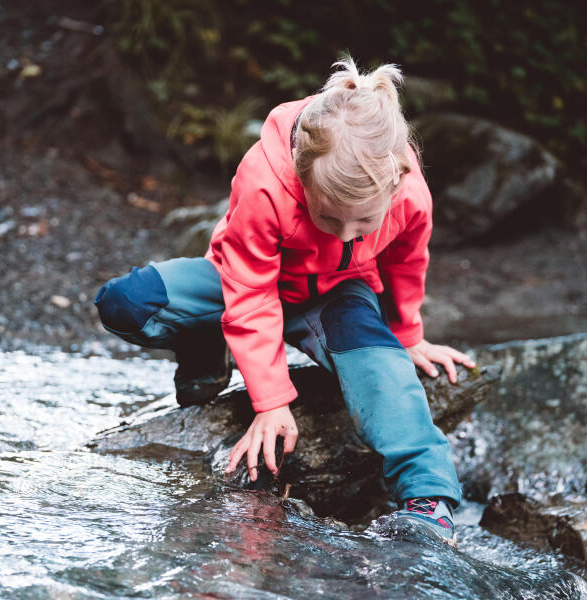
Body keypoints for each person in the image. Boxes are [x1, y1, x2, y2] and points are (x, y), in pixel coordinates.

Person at [94, 56, 475, 543]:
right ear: (301, 177)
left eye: (363, 224)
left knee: (385, 371)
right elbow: (250, 292)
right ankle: (204, 345)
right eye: (329, 220)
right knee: (128, 302)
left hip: (338, 295)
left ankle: (427, 497)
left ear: (397, 180)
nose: (346, 234)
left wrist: (408, 335)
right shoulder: (264, 180)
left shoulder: (408, 191)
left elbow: (405, 261)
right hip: (243, 282)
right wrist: (271, 401)